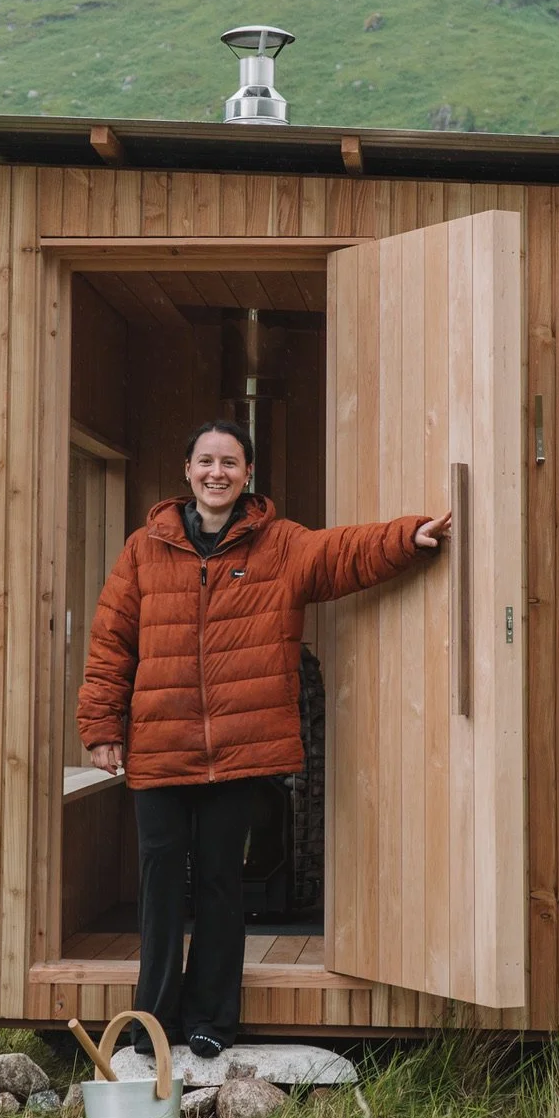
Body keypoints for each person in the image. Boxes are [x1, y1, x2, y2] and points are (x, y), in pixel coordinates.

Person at [77, 420, 450, 1057]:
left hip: (239, 750)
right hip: (160, 750)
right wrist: (101, 726)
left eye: (229, 463)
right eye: (205, 462)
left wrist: (405, 537)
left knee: (222, 885)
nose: (216, 473)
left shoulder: (278, 545)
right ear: (187, 472)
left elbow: (342, 554)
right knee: (161, 885)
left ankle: (212, 1022)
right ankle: (153, 1021)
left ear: (248, 475)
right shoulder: (144, 548)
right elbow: (112, 641)